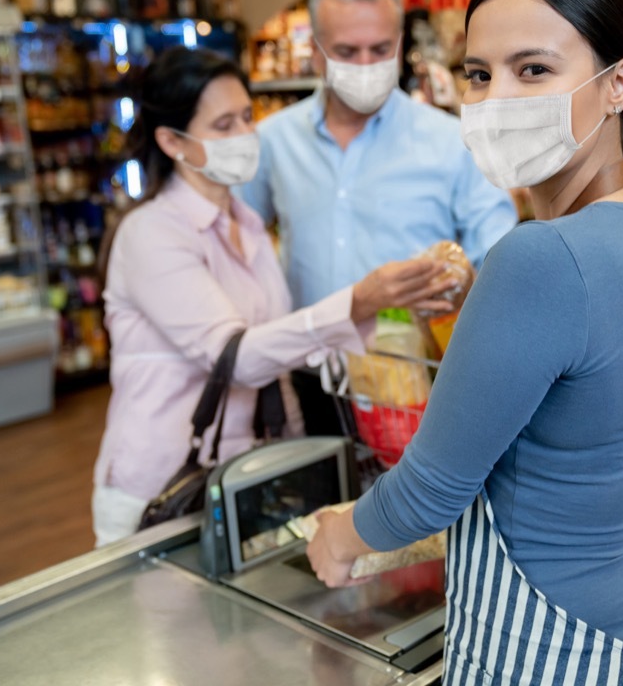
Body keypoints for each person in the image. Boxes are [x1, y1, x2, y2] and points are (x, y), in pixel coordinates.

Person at [306, 0, 623, 686]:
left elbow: (431, 490)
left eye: (533, 69)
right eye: (479, 73)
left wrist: (339, 538)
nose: (498, 97)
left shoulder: (540, 258)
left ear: (618, 84)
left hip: (562, 652)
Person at [92, 46, 452, 547]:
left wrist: (392, 327)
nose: (244, 135)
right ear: (172, 141)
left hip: (247, 476)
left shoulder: (248, 223)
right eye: (222, 126)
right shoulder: (150, 233)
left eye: (246, 117)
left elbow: (281, 344)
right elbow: (234, 357)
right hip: (165, 485)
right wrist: (357, 303)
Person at [236, 0, 518, 435]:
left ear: (399, 43)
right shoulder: (272, 142)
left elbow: (501, 254)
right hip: (311, 378)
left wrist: (462, 281)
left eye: (380, 49)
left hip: (414, 385)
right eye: (347, 51)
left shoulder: (452, 141)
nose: (366, 64)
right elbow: (237, 241)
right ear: (316, 53)